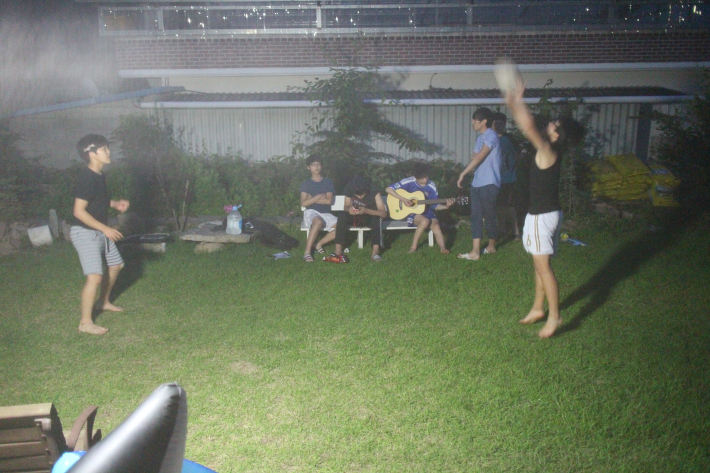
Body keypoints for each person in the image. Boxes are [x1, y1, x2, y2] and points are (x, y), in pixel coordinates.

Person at [505, 77, 584, 339]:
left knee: (543, 268)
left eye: (554, 124)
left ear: (557, 134)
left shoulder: (548, 149)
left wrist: (517, 102)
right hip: (546, 213)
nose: (550, 124)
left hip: (542, 216)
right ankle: (538, 308)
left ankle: (555, 316)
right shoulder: (552, 151)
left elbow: (528, 127)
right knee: (540, 264)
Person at [70, 134, 130, 335]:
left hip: (98, 231)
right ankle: (85, 323)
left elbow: (96, 200)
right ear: (92, 153)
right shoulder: (87, 177)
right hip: (85, 233)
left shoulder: (98, 175)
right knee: (95, 277)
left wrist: (115, 204)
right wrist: (105, 229)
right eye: (104, 149)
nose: (109, 151)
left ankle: (103, 302)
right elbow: (78, 211)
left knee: (116, 265)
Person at [456, 107, 502, 260]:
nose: (472, 122)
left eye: (475, 120)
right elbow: (475, 157)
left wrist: (463, 173)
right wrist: (475, 157)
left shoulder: (491, 136)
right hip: (477, 182)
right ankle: (475, 251)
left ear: (484, 122)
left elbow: (479, 157)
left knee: (489, 215)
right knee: (475, 216)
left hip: (489, 182)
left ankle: (491, 246)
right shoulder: (479, 138)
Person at [385, 162, 454, 254]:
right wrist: (403, 199)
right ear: (416, 177)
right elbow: (388, 189)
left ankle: (443, 248)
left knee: (436, 225)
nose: (426, 179)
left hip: (427, 211)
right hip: (411, 212)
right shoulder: (409, 181)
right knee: (424, 221)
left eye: (426, 176)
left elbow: (435, 205)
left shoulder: (431, 186)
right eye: (422, 177)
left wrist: (446, 206)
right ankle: (413, 247)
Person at [324, 176, 387, 263]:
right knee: (342, 215)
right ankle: (338, 250)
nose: (359, 196)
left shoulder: (374, 190)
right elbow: (346, 206)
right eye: (357, 194)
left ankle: (375, 252)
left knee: (376, 219)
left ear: (366, 189)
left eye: (361, 194)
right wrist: (349, 210)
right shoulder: (349, 188)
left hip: (369, 215)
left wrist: (366, 211)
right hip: (355, 215)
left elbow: (383, 213)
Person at [299, 155, 337, 262]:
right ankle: (307, 252)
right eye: (313, 165)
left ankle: (319, 244)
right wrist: (319, 196)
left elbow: (329, 201)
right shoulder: (306, 184)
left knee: (341, 226)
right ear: (308, 167)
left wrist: (311, 199)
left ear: (321, 166)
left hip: (325, 213)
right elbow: (303, 203)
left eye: (318, 164)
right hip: (311, 212)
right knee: (318, 221)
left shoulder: (327, 182)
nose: (316, 167)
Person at [492, 112, 522, 240]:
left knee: (509, 205)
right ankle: (501, 228)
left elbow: (518, 155)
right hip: (494, 178)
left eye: (501, 124)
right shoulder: (490, 138)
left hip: (508, 179)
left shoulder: (509, 139)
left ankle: (516, 231)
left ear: (504, 125)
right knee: (499, 205)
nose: (498, 126)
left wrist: (510, 166)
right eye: (495, 123)